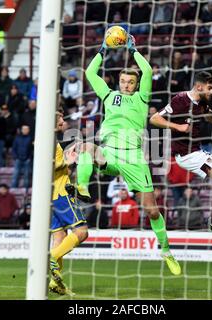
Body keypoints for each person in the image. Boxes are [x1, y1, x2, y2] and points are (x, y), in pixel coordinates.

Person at [66, 34, 187, 276]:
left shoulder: (142, 98)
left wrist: (134, 50)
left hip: (134, 158)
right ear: (119, 82)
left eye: (130, 82)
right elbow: (90, 74)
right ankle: (82, 188)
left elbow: (147, 69)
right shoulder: (109, 96)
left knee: (152, 211)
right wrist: (101, 51)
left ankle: (166, 251)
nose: (126, 85)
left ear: (136, 84)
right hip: (110, 151)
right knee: (86, 147)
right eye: (123, 81)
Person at [150, 71, 212, 239]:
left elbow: (208, 114)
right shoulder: (180, 100)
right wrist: (177, 127)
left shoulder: (201, 102)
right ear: (199, 86)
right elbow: (154, 119)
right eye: (209, 88)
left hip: (196, 151)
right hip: (186, 154)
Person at [49, 110, 88, 296]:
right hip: (61, 195)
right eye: (60, 119)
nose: (63, 122)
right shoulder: (49, 141)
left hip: (49, 197)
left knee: (59, 238)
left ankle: (54, 282)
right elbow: (47, 166)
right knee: (81, 232)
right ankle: (52, 258)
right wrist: (68, 162)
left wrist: (65, 159)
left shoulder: (49, 140)